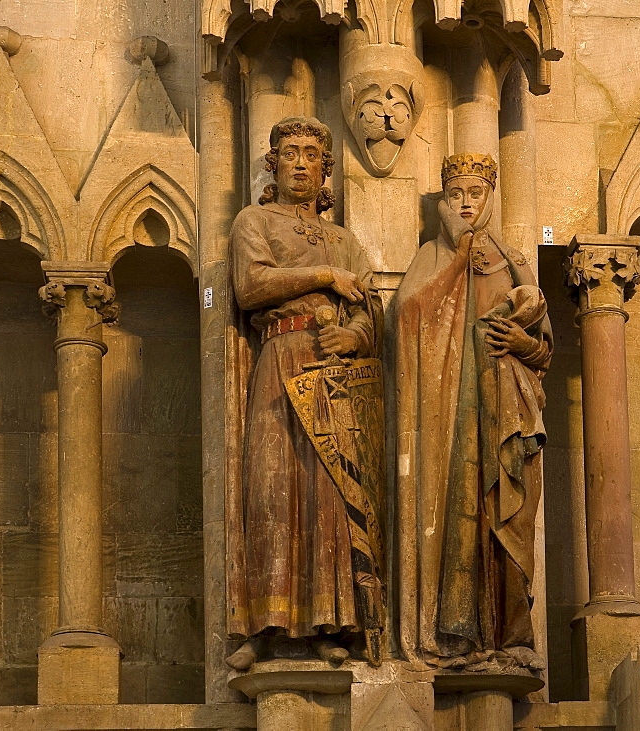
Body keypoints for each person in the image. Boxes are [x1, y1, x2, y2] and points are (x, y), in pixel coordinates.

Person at [226, 117, 385, 670]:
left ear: (325, 170)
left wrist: (356, 334)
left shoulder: (345, 240)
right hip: (280, 357)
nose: (299, 162)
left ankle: (328, 622)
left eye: (311, 154)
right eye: (288, 152)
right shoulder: (255, 221)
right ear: (273, 164)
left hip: (334, 370)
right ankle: (263, 625)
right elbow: (250, 287)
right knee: (271, 485)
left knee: (328, 495)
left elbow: (371, 309)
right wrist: (323, 276)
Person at [394, 153, 552, 670]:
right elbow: (403, 319)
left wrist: (522, 343)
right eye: (457, 194)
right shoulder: (432, 254)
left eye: (475, 194)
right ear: (444, 201)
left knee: (512, 518)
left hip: (510, 406)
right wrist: (455, 258)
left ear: (490, 198)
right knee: (460, 514)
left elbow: (545, 350)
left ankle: (512, 636)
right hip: (455, 410)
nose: (466, 203)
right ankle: (461, 633)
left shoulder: (513, 261)